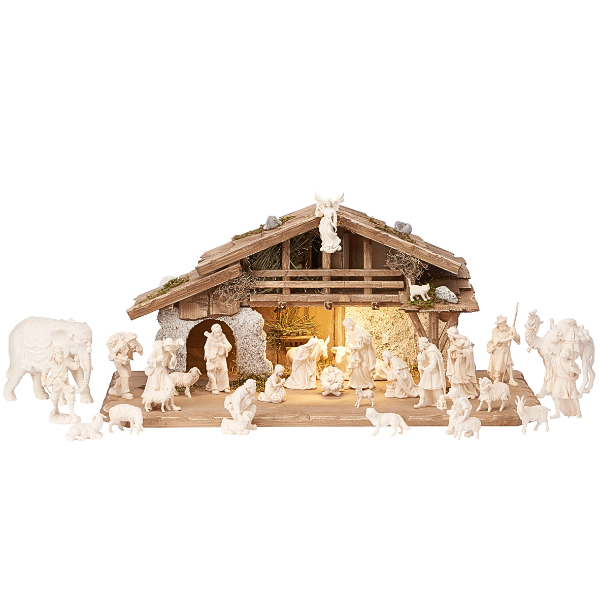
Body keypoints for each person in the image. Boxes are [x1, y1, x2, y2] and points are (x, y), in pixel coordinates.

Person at [42, 345, 80, 422]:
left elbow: (74, 367)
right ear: (54, 355)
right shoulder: (50, 363)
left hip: (65, 383)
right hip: (55, 383)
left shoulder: (65, 361)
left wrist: (77, 361)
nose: (60, 355)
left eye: (61, 353)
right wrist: (43, 380)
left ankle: (72, 413)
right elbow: (44, 372)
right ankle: (55, 410)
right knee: (54, 398)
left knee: (71, 396)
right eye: (58, 353)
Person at [343, 318, 377, 390]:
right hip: (355, 351)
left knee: (365, 365)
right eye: (346, 326)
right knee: (354, 367)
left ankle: (368, 382)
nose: (347, 328)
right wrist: (352, 346)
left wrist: (362, 338)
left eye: (348, 326)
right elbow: (348, 341)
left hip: (363, 351)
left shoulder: (359, 329)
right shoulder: (348, 332)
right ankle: (352, 383)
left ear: (351, 324)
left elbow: (368, 338)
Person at [107, 332, 143, 400]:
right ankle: (125, 393)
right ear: (128, 340)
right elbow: (112, 352)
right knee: (125, 375)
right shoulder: (121, 344)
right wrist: (119, 358)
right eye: (132, 340)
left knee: (128, 374)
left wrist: (138, 350)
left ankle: (117, 385)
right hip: (119, 361)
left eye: (134, 340)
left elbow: (136, 349)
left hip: (126, 361)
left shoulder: (133, 343)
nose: (134, 342)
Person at [487, 315, 520, 386]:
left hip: (505, 349)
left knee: (509, 363)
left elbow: (517, 339)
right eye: (500, 323)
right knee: (498, 364)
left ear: (505, 322)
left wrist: (514, 332)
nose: (501, 325)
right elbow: (498, 341)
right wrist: (508, 339)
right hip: (497, 350)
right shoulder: (495, 331)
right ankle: (497, 378)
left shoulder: (509, 329)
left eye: (503, 323)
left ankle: (511, 379)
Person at [446, 327, 478, 399]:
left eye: (449, 335)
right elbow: (452, 353)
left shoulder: (464, 340)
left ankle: (468, 392)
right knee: (455, 376)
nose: (449, 337)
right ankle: (456, 392)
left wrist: (462, 352)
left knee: (464, 377)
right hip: (457, 361)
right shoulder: (454, 342)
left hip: (463, 362)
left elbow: (470, 351)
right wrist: (451, 352)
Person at [415, 336, 445, 408]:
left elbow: (434, 363)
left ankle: (440, 402)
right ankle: (422, 402)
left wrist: (425, 369)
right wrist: (420, 360)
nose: (419, 346)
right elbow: (425, 361)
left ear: (424, 344)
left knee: (436, 388)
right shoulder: (425, 350)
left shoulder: (432, 351)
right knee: (421, 386)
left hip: (432, 371)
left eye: (420, 344)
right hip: (428, 371)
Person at [204, 324, 232, 394]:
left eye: (219, 332)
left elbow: (229, 345)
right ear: (213, 333)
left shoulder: (223, 337)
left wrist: (223, 346)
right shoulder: (210, 338)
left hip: (221, 355)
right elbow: (207, 347)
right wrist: (207, 355)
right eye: (217, 332)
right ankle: (214, 387)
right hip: (213, 357)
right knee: (214, 371)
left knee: (224, 370)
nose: (218, 334)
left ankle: (225, 387)